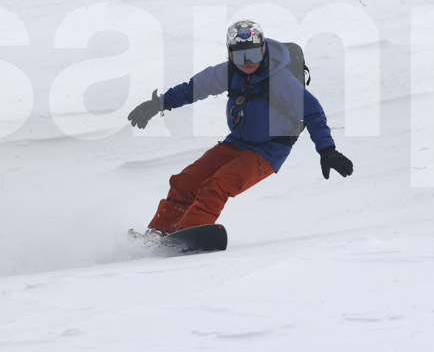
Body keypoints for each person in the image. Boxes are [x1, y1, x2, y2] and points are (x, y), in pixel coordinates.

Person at [127, 20, 353, 233]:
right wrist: (159, 104)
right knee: (185, 182)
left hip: (269, 150)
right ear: (229, 54)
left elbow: (312, 111)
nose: (247, 62)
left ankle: (188, 234)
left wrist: (327, 150)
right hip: (236, 143)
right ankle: (160, 233)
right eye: (240, 56)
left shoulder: (280, 79)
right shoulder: (229, 72)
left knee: (216, 186)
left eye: (253, 54)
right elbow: (193, 88)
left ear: (263, 49)